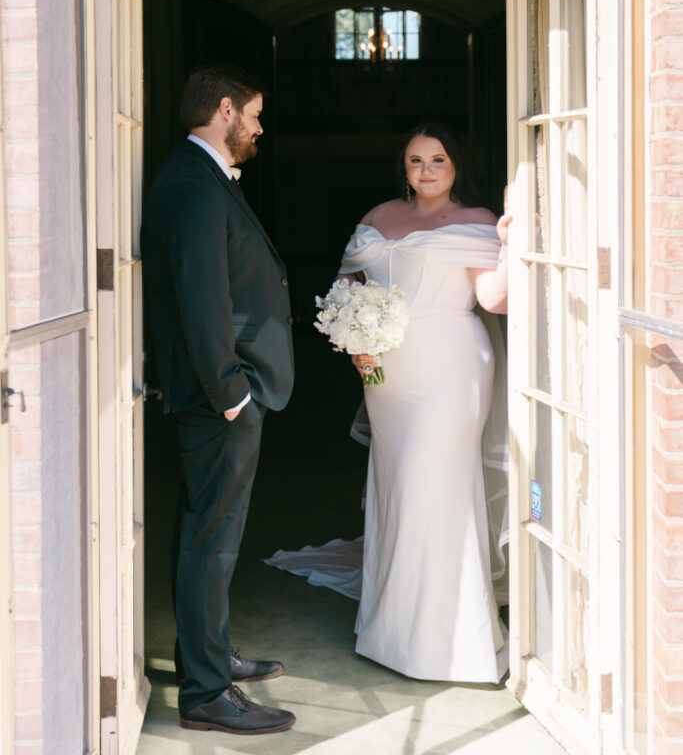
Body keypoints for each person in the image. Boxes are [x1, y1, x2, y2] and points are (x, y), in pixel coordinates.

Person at [140, 64, 296, 735]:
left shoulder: (198, 177)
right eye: (254, 114)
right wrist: (232, 393)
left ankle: (207, 656)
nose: (259, 126)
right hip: (219, 396)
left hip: (219, 391)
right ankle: (206, 693)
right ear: (225, 110)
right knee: (212, 540)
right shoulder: (194, 185)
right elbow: (203, 298)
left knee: (212, 534)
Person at [338, 122, 511, 682]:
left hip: (452, 370)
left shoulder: (477, 222)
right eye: (416, 161)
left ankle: (451, 641)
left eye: (438, 159)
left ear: (455, 165)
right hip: (386, 377)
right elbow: (349, 289)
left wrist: (516, 244)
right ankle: (391, 630)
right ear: (404, 168)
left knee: (433, 488)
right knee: (397, 489)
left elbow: (494, 298)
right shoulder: (377, 217)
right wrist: (353, 341)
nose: (427, 170)